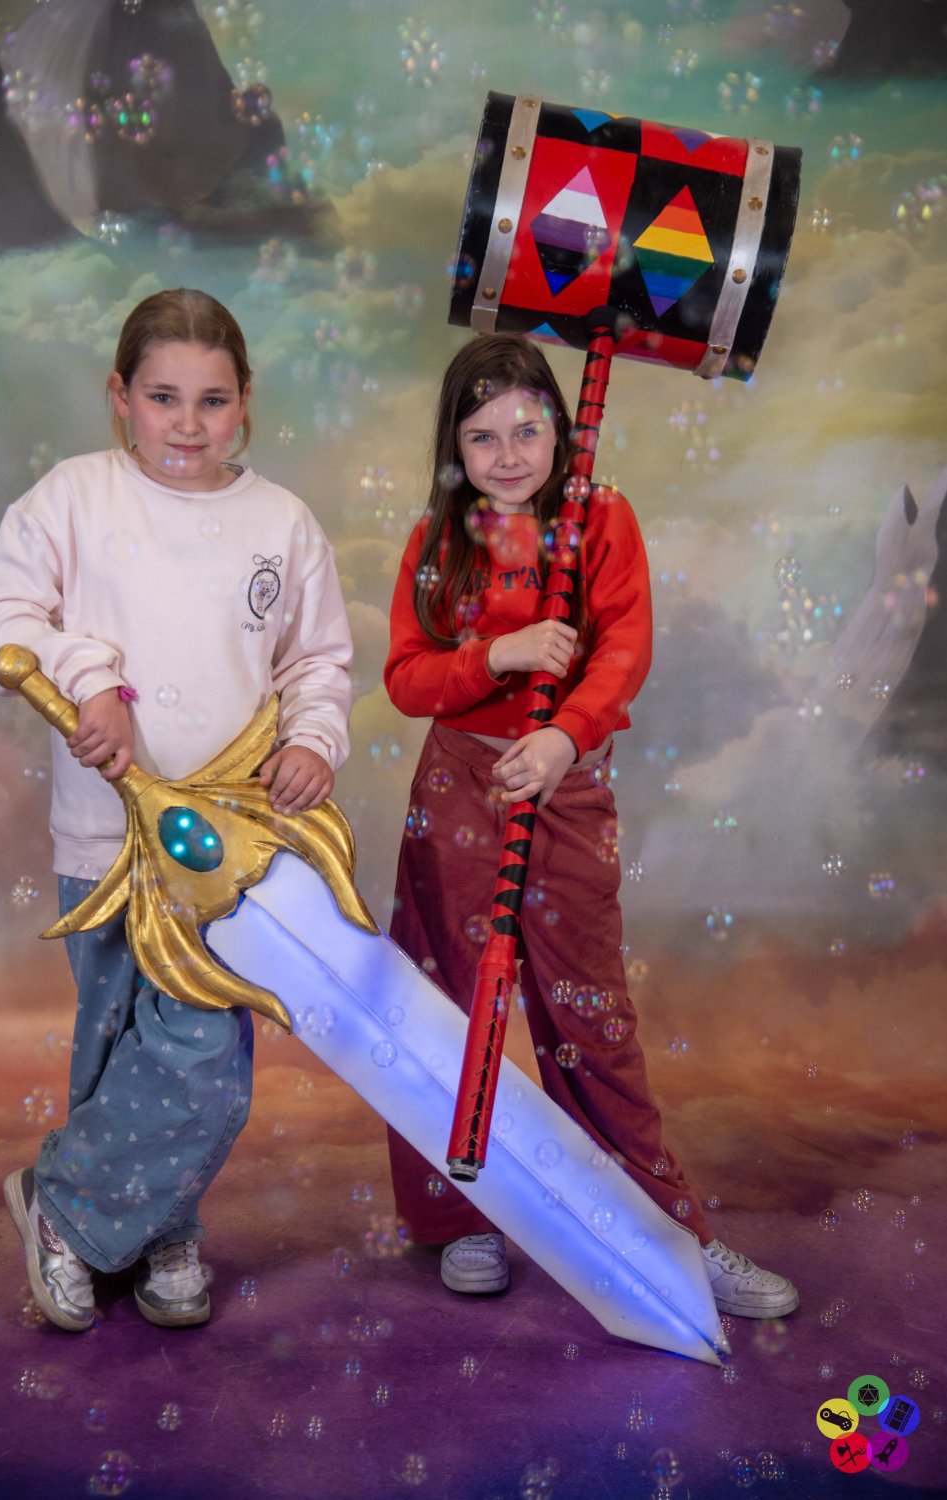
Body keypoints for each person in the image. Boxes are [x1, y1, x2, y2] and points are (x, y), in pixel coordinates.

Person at [382, 333, 798, 1320]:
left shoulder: (599, 518)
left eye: (527, 430)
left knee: (588, 1017)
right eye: (482, 437)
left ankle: (661, 1234)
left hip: (563, 784)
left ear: (563, 429)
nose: (508, 455)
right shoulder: (438, 541)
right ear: (453, 449)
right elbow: (406, 678)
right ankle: (459, 1215)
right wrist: (497, 655)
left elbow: (622, 651)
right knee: (443, 1007)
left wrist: (564, 737)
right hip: (457, 786)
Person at [0, 288, 353, 1331]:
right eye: (163, 397)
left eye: (212, 401)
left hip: (223, 851)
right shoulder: (73, 497)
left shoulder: (281, 524)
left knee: (199, 1061)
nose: (188, 423)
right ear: (119, 397)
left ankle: (65, 1205)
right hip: (104, 836)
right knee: (113, 1050)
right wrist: (88, 677)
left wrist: (313, 740)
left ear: (245, 402)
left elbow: (316, 662)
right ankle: (153, 1226)